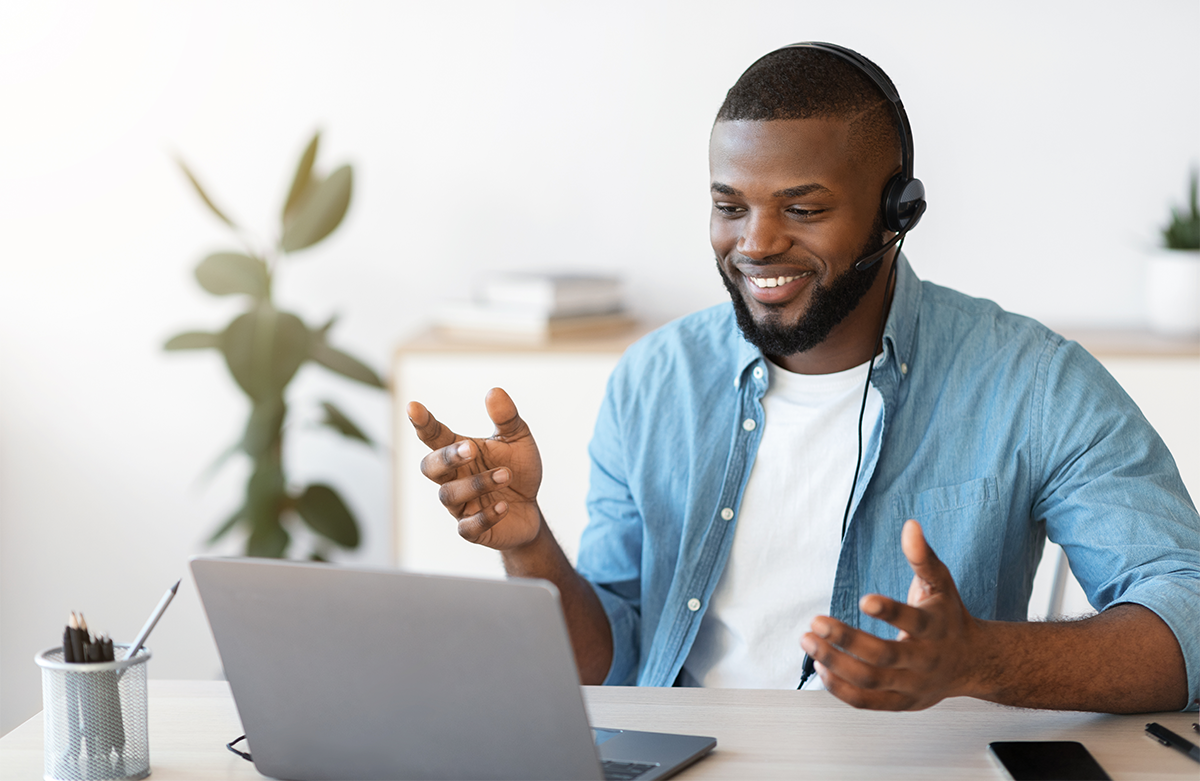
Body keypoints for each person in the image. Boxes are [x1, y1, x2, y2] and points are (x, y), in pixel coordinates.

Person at [407, 43, 1199, 713]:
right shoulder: (656, 379)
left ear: (898, 213)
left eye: (804, 210)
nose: (756, 244)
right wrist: (531, 548)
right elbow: (612, 671)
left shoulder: (1034, 383)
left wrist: (978, 660)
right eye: (731, 206)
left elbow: (1187, 613)